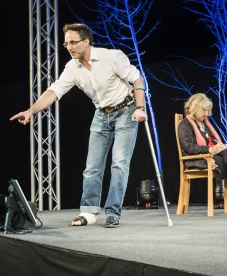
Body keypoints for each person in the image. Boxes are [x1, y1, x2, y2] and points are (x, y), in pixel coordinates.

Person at [9, 22, 147, 228]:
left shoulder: (111, 57)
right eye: (66, 44)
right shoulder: (72, 67)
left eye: (73, 42)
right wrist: (30, 111)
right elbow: (54, 92)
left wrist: (140, 107)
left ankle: (113, 212)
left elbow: (137, 79)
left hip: (126, 111)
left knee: (119, 163)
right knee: (92, 167)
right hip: (102, 114)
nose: (70, 47)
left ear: (86, 41)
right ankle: (89, 212)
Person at [178, 93, 227, 188]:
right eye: (204, 110)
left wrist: (220, 146)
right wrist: (209, 149)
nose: (207, 114)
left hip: (213, 155)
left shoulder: (205, 123)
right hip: (198, 159)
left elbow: (213, 141)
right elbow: (188, 147)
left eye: (208, 110)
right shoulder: (184, 124)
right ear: (195, 108)